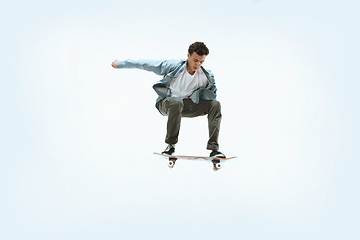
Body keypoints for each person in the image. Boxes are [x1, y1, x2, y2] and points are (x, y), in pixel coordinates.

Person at [111, 42, 226, 158]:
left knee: (215, 105)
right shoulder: (174, 66)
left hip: (187, 106)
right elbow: (146, 64)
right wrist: (121, 64)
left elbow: (212, 96)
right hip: (166, 104)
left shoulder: (206, 77)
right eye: (195, 60)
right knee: (176, 102)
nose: (198, 64)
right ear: (188, 55)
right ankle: (171, 145)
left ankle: (214, 149)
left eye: (201, 62)